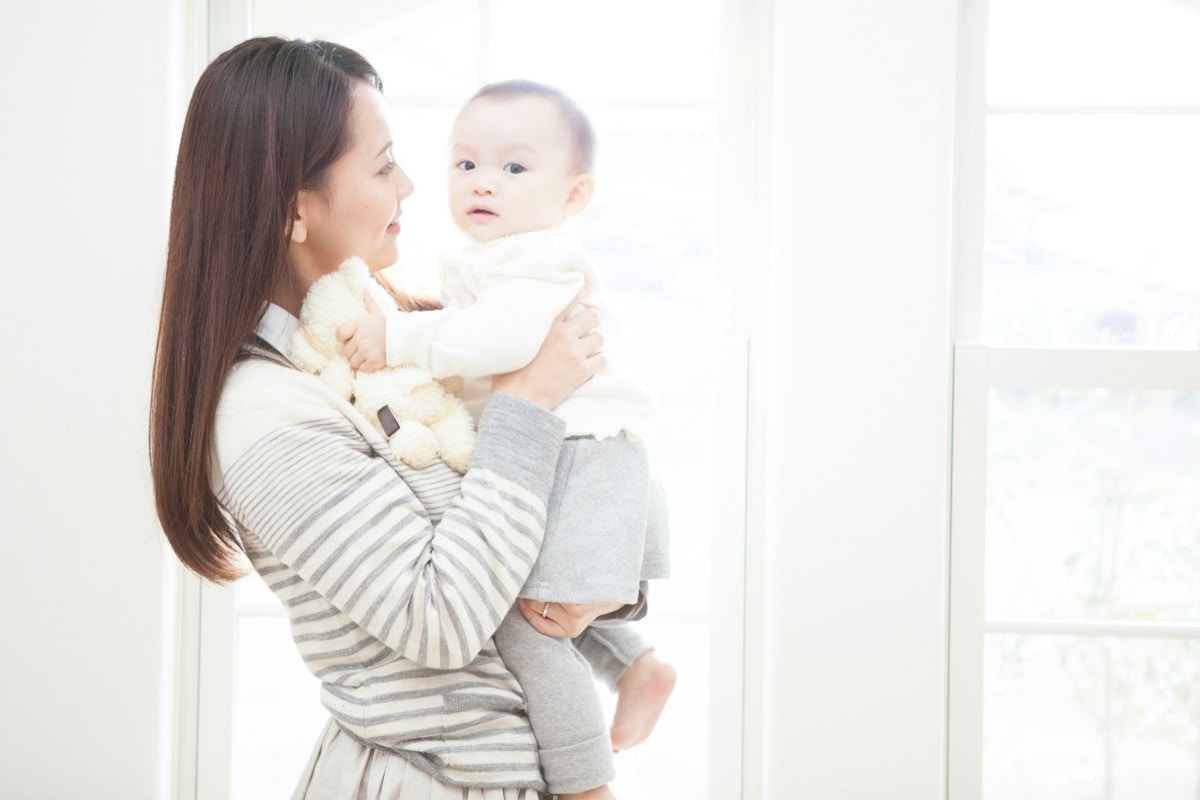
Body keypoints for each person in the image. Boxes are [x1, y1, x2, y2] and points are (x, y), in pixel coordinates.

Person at [150, 36, 641, 800]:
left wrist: (603, 591)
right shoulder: (263, 410)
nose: (412, 184)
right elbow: (439, 620)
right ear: (293, 210)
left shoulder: (400, 331)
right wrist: (525, 403)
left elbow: (524, 526)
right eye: (383, 166)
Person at [336, 80, 675, 796]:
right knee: (533, 599)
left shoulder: (539, 258)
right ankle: (635, 663)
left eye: (514, 168)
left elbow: (503, 339)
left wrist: (395, 336)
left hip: (581, 460)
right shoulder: (497, 261)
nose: (483, 182)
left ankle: (585, 781)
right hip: (580, 457)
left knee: (527, 626)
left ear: (574, 196)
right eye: (466, 164)